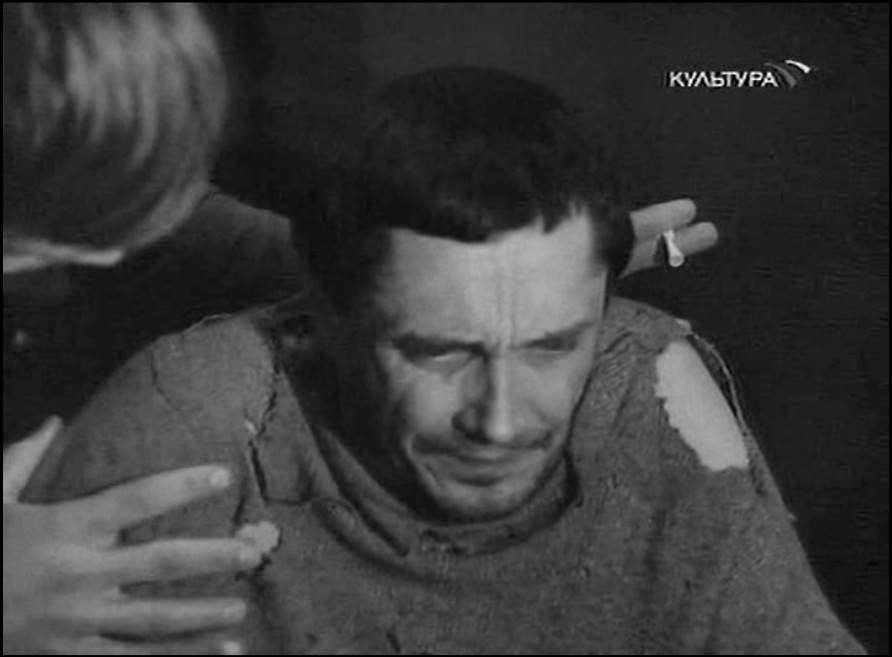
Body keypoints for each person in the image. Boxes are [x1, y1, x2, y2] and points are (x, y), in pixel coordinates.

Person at [19, 67, 864, 654]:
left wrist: (465, 277)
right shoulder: (194, 423)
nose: (500, 420)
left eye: (552, 343)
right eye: (435, 348)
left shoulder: (644, 384)